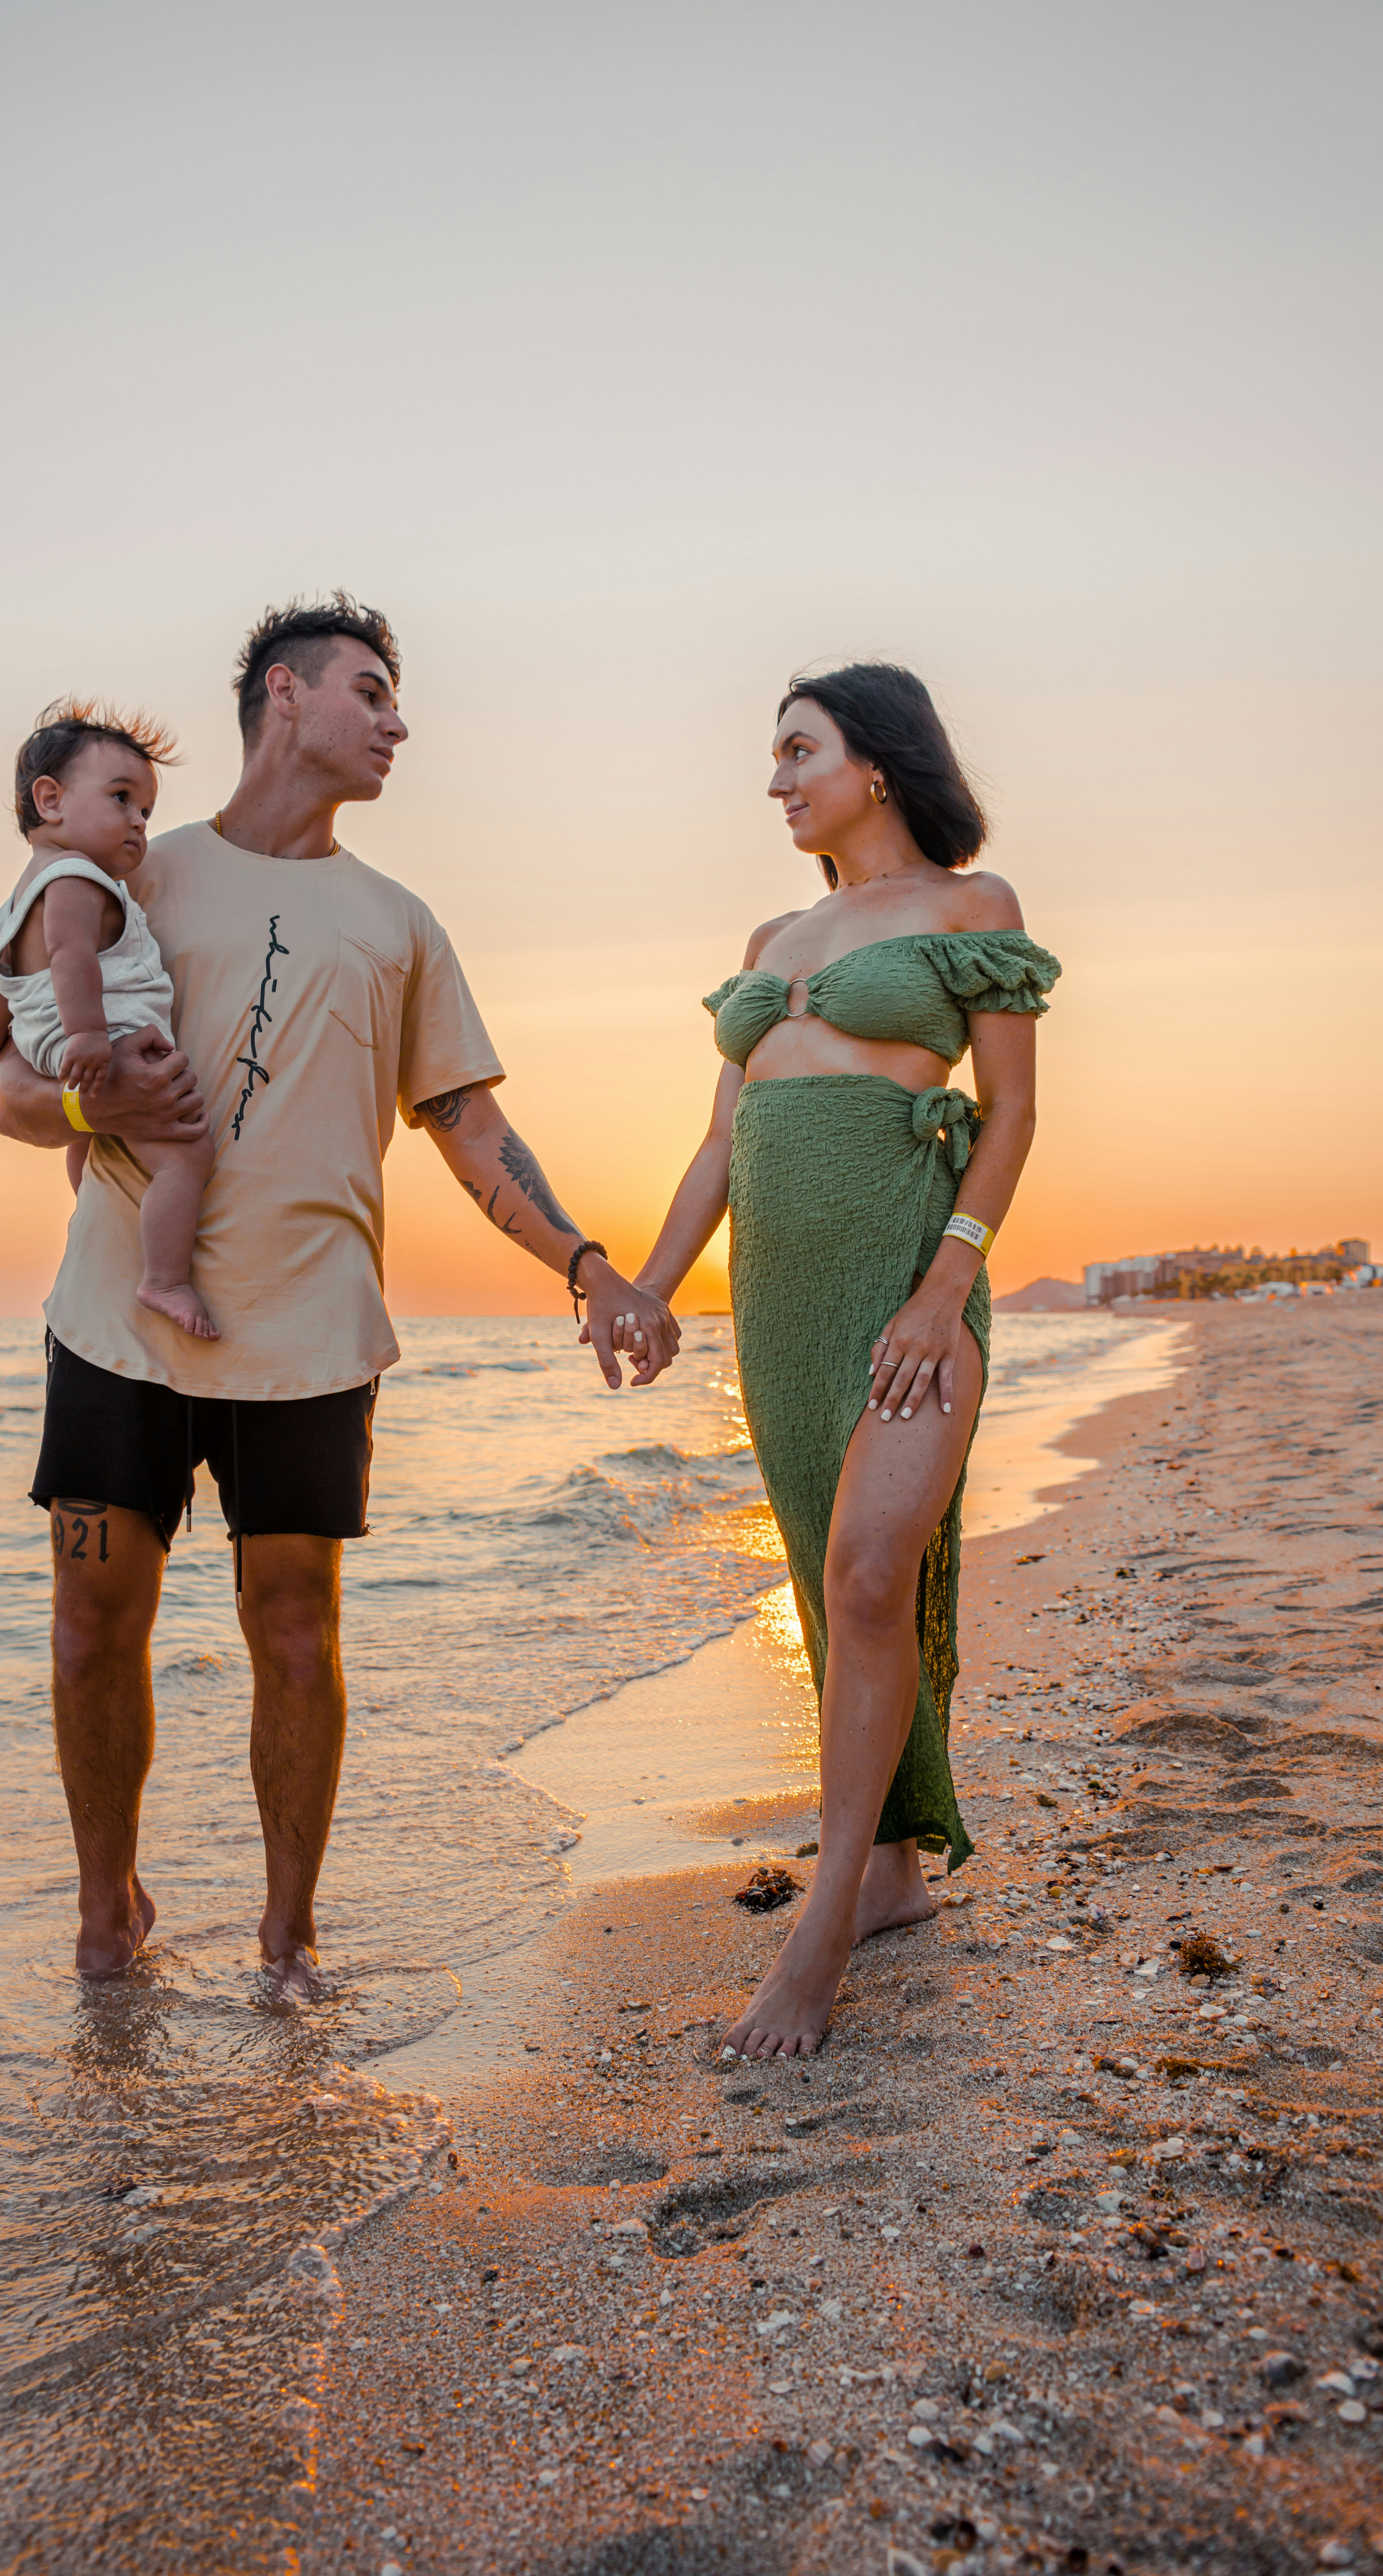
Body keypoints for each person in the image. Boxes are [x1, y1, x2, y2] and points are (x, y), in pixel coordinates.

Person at [0, 593, 679, 1985]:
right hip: (119, 1316)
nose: (399, 721)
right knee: (85, 1627)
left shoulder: (398, 921)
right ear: (286, 701)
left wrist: (591, 1268)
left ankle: (289, 1934)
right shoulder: (130, 868)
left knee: (296, 1636)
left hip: (309, 1337)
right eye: (374, 690)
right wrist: (85, 1102)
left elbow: (472, 1131)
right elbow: (2, 1083)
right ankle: (106, 1908)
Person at [634, 662, 1058, 2058]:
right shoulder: (773, 930)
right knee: (832, 1579)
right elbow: (719, 1139)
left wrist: (949, 1286)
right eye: (772, 755)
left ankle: (823, 1925)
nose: (776, 779)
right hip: (776, 1296)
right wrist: (648, 1283)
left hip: (901, 1277)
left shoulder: (968, 910)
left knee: (875, 1567)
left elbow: (1008, 1118)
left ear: (876, 762)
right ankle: (886, 1874)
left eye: (797, 750)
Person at [0, 699, 220, 1340]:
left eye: (146, 810)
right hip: (107, 1044)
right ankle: (164, 1278)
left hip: (49, 1050)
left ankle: (91, 1201)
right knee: (185, 1158)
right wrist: (88, 1037)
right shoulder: (79, 881)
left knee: (89, 1139)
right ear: (51, 801)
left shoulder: (12, 906)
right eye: (121, 798)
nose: (138, 822)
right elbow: (72, 956)